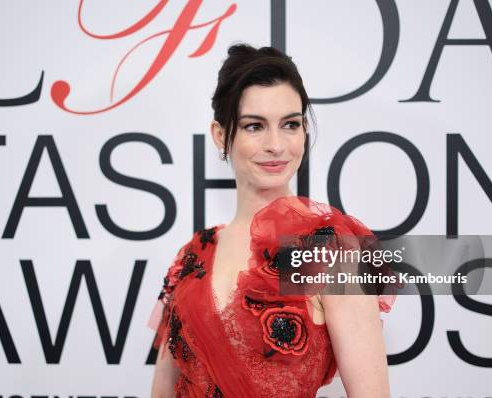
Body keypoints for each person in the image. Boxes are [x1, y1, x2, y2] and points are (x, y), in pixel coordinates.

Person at [149, 43, 397, 397]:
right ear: (221, 135)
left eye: (291, 124)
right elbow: (163, 389)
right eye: (254, 127)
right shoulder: (192, 255)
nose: (276, 145)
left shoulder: (331, 251)